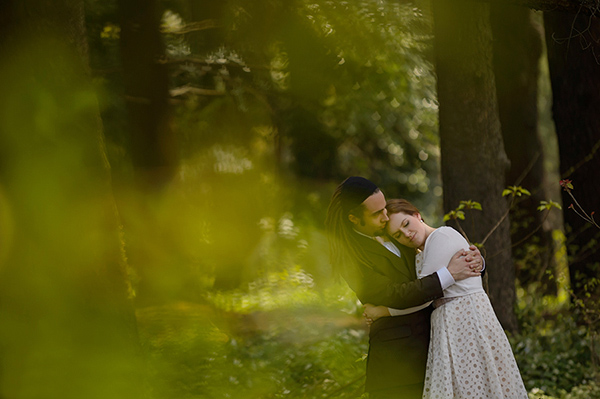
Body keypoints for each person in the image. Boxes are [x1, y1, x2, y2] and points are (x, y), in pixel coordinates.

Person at [325, 176, 483, 399]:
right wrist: (450, 274)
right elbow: (394, 294)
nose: (386, 216)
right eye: (376, 214)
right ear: (354, 218)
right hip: (397, 364)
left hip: (434, 349)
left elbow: (435, 259)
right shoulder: (350, 257)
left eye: (384, 207)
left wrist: (475, 261)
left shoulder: (394, 230)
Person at [364, 199, 528, 398]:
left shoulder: (441, 236)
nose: (406, 234)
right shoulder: (420, 253)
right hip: (448, 322)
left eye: (406, 224)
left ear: (416, 214)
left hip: (465, 321)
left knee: (473, 385)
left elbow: (423, 296)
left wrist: (382, 311)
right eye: (398, 235)